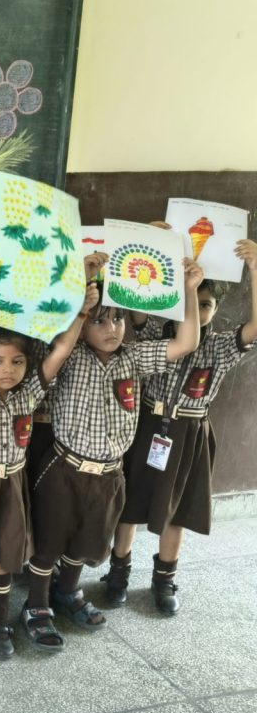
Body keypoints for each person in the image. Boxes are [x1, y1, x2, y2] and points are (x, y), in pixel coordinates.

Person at [22, 255, 204, 652]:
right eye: (100, 321)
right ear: (83, 323)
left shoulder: (133, 358)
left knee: (86, 542)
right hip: (65, 468)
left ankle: (67, 592)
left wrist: (189, 291)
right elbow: (55, 341)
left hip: (108, 475)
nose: (112, 328)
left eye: (118, 319)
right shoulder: (70, 355)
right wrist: (80, 298)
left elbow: (186, 342)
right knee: (49, 540)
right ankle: (36, 603)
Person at [0, 268, 99, 660]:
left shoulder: (29, 391)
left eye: (16, 361)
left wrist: (81, 313)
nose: (7, 369)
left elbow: (60, 352)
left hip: (10, 486)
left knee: (2, 560)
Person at [105, 238, 257, 613]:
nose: (198, 309)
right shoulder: (156, 334)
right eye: (191, 298)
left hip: (189, 433)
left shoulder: (220, 346)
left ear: (216, 309)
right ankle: (118, 572)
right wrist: (146, 244)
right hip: (146, 425)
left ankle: (164, 579)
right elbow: (134, 302)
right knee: (130, 503)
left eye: (206, 304)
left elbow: (254, 328)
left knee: (177, 509)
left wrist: (255, 270)